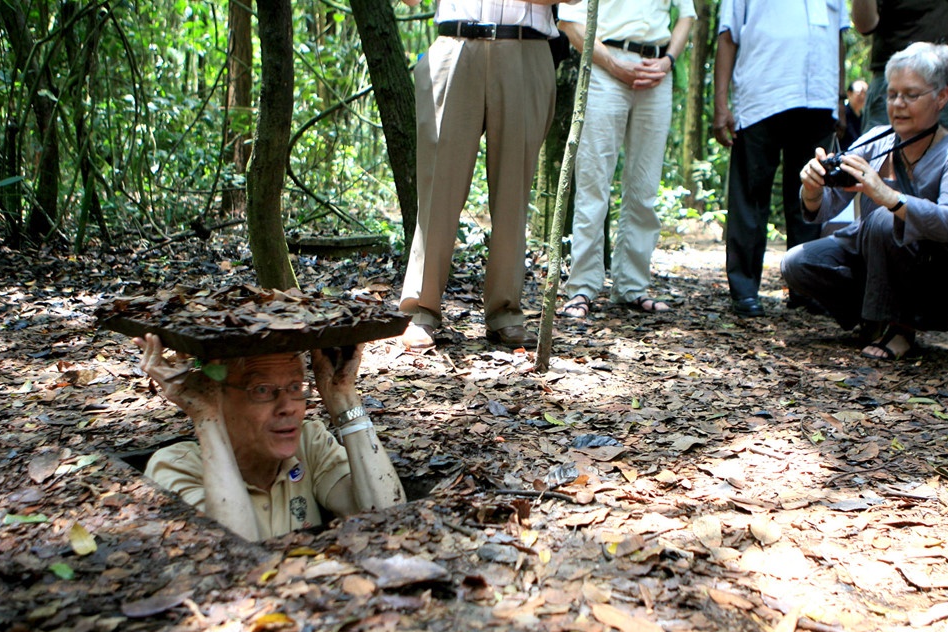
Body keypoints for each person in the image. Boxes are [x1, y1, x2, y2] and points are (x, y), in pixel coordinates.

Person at [781, 42, 948, 361]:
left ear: (941, 97)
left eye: (910, 95)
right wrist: (813, 185)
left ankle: (901, 328)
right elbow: (825, 207)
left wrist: (888, 196)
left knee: (885, 218)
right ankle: (872, 320)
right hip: (870, 256)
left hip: (926, 271)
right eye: (892, 94)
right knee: (797, 263)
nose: (898, 104)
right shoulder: (878, 139)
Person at [397, 0, 573, 351]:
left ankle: (505, 312)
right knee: (437, 187)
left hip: (526, 49)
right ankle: (421, 309)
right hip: (453, 46)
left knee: (513, 190)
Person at [136, 334, 406, 542]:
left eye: (295, 387)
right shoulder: (174, 466)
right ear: (216, 395)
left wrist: (343, 397)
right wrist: (207, 419)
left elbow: (390, 522)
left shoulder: (309, 444)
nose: (287, 406)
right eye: (262, 390)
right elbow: (235, 559)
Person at [556, 0, 695, 320]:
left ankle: (632, 285)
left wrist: (668, 61)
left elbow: (687, 16)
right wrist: (614, 64)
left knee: (645, 185)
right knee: (593, 183)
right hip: (605, 69)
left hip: (657, 74)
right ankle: (582, 287)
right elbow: (569, 21)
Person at [713, 0, 848, 318]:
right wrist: (721, 104)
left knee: (811, 191)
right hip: (763, 93)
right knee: (751, 195)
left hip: (819, 95)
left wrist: (839, 97)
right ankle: (744, 290)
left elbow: (838, 38)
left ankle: (805, 286)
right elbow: (728, 35)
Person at [851, 0, 948, 133]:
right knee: (879, 157)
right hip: (893, 84)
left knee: (947, 159)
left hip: (943, 87)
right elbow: (865, 24)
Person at [841, 79, 869, 150]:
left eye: (865, 93)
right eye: (859, 93)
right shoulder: (843, 115)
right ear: (849, 93)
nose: (863, 97)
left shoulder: (864, 117)